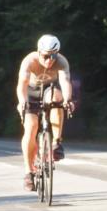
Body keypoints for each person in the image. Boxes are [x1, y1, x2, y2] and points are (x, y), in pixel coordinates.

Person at [17, 35, 74, 191]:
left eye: (53, 56)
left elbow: (65, 82)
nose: (50, 60)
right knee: (31, 127)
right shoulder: (29, 61)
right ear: (39, 52)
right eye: (46, 56)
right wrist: (22, 101)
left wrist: (68, 100)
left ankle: (56, 142)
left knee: (57, 98)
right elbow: (22, 85)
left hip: (49, 89)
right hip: (31, 92)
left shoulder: (62, 61)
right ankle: (29, 172)